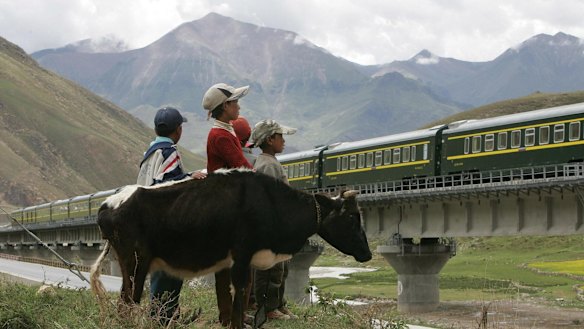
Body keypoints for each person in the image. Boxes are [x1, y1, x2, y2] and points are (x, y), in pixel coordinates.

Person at [137, 106, 205, 325]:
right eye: (181, 126)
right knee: (170, 274)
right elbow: (167, 186)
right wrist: (190, 179)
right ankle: (163, 318)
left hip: (148, 222)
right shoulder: (169, 152)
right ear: (177, 130)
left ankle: (161, 316)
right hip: (164, 225)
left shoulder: (150, 152)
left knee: (160, 273)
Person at [202, 83, 254, 326]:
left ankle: (235, 315)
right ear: (225, 107)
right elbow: (241, 165)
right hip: (227, 206)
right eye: (234, 102)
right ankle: (232, 317)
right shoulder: (221, 135)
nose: (239, 106)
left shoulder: (225, 130)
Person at [249, 119, 298, 321]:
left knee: (281, 268)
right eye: (280, 137)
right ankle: (267, 307)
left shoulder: (270, 162)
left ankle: (278, 303)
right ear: (270, 139)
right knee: (270, 270)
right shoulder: (267, 166)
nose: (284, 141)